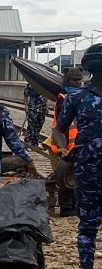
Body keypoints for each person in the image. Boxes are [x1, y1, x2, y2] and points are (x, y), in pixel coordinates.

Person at [53, 44, 102, 269]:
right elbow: (60, 130)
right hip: (89, 171)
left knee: (87, 228)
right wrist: (63, 149)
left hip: (88, 170)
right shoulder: (77, 98)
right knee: (87, 229)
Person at [51, 67, 84, 217]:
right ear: (67, 81)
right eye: (74, 80)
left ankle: (75, 205)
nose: (77, 83)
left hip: (78, 144)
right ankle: (66, 207)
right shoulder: (64, 99)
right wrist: (62, 147)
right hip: (66, 144)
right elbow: (60, 126)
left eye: (79, 79)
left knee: (78, 176)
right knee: (66, 176)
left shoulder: (85, 97)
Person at [23, 83, 47, 147]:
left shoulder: (42, 83)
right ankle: (27, 142)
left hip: (42, 109)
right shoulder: (29, 84)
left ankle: (35, 143)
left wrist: (46, 107)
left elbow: (45, 96)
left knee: (39, 126)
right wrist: (26, 107)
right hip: (33, 108)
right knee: (31, 126)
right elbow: (25, 96)